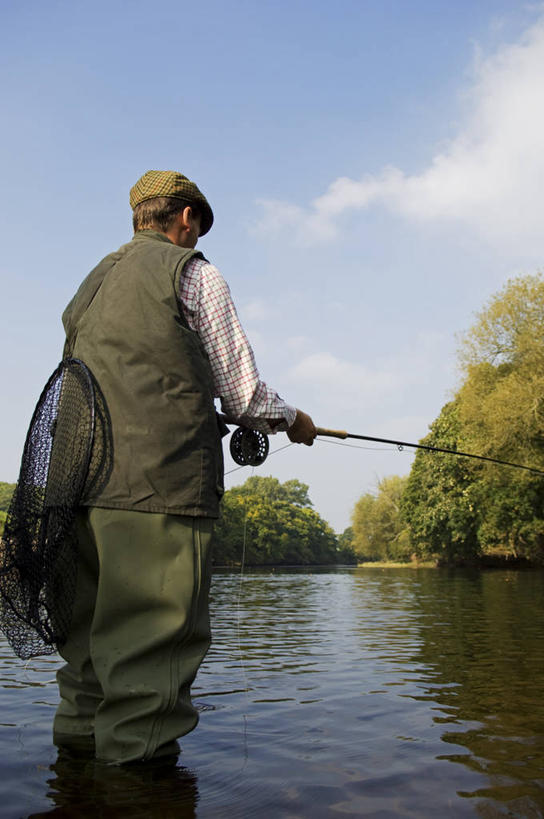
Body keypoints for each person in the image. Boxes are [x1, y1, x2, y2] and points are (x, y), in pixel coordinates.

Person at [53, 169, 316, 764]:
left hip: (72, 491)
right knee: (149, 668)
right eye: (195, 228)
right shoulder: (195, 273)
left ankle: (69, 786)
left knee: (88, 664)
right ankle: (136, 795)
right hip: (158, 494)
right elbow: (244, 398)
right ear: (186, 219)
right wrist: (296, 420)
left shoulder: (91, 283)